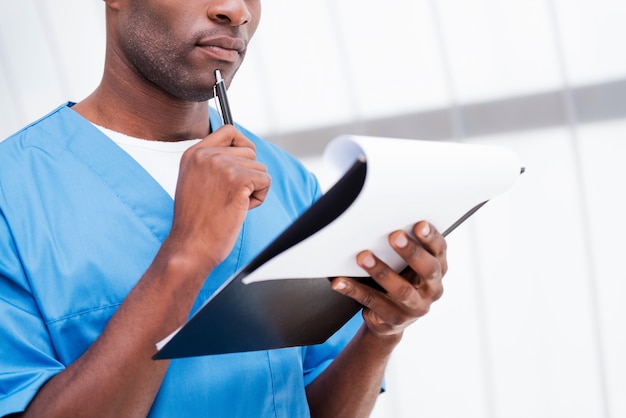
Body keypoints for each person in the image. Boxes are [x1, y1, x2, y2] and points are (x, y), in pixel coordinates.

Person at [0, 1, 447, 417]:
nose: (235, 11)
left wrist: (379, 334)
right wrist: (186, 254)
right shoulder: (13, 194)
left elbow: (306, 405)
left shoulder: (290, 184)